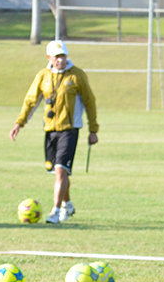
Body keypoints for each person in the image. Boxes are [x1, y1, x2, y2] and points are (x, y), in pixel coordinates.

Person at [10, 40, 98, 224]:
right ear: (49, 57)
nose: (61, 60)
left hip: (70, 130)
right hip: (50, 130)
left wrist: (93, 129)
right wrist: (20, 122)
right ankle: (68, 205)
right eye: (57, 56)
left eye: (63, 56)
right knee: (59, 172)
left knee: (60, 171)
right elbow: (31, 101)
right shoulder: (43, 76)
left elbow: (90, 102)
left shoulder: (76, 75)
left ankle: (56, 211)